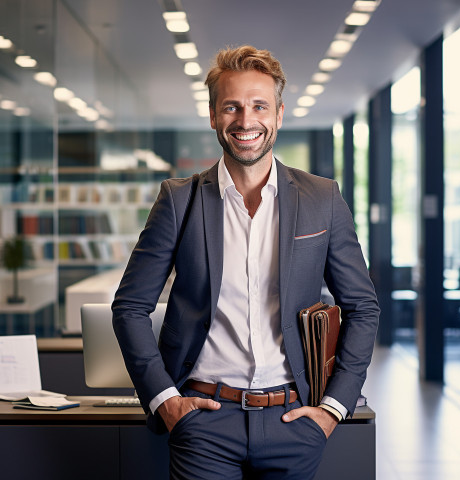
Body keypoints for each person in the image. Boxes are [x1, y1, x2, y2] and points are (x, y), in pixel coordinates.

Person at [112, 45, 379, 479]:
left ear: (278, 113)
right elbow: (129, 307)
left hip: (294, 420)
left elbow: (362, 307)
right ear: (214, 115)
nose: (245, 120)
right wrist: (166, 401)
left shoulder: (322, 198)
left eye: (259, 106)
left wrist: (333, 408)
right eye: (231, 107)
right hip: (203, 423)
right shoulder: (179, 200)